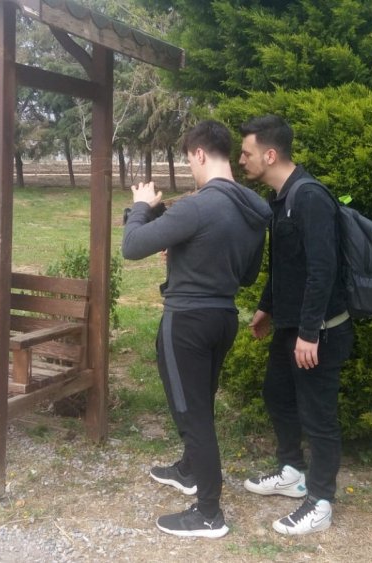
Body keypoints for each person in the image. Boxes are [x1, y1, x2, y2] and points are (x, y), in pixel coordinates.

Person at [122, 120, 272, 539]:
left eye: (189, 160)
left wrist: (141, 206)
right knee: (199, 402)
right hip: (223, 319)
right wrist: (189, 253)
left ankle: (208, 514)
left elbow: (132, 246)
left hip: (186, 321)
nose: (190, 167)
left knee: (193, 416)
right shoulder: (254, 209)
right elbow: (247, 275)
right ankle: (190, 470)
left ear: (200, 154)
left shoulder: (197, 206)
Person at [238, 115, 355, 535]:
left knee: (318, 415)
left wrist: (309, 333)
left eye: (247, 153)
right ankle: (291, 471)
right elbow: (286, 266)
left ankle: (321, 501)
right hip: (291, 326)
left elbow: (323, 270)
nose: (241, 160)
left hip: (320, 330)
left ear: (270, 155)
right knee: (277, 395)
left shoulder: (310, 197)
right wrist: (265, 308)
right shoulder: (282, 199)